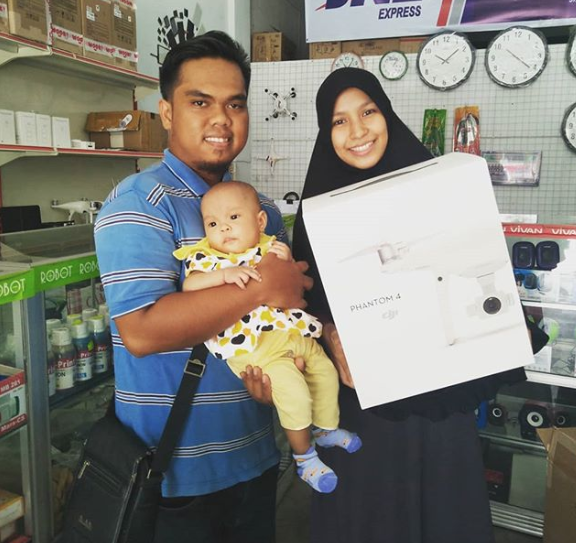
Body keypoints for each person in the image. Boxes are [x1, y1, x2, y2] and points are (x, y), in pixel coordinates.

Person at [292, 67, 549, 543]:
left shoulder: (438, 187)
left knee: (443, 513)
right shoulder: (317, 211)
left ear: (387, 114)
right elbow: (303, 302)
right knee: (369, 519)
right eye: (339, 121)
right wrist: (328, 331)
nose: (358, 131)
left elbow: (471, 266)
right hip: (363, 406)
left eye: (368, 112)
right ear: (326, 133)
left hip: (438, 400)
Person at [94, 31, 313, 543]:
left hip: (257, 456)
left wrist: (283, 372)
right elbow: (142, 331)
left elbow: (286, 306)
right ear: (167, 112)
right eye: (200, 102)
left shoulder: (261, 210)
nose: (222, 119)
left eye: (235, 104)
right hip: (172, 475)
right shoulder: (139, 203)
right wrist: (260, 286)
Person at [174, 180, 361, 494]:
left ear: (260, 221)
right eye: (213, 224)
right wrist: (223, 275)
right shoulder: (208, 257)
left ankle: (325, 428)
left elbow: (294, 280)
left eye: (234, 217)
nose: (223, 228)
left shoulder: (269, 246)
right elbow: (189, 286)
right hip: (254, 348)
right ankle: (304, 458)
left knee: (325, 372)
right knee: (294, 394)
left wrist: (285, 258)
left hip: (292, 334)